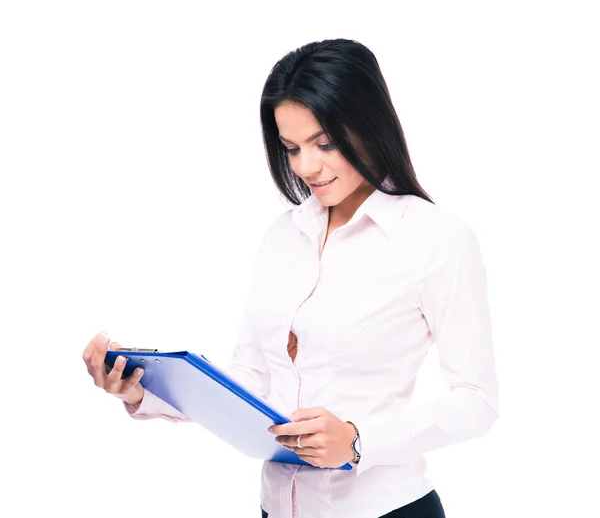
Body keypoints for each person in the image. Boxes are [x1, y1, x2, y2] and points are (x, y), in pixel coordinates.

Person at [83, 38, 499, 518]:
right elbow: (250, 381)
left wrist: (359, 440)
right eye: (291, 147)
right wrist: (142, 388)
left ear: (369, 124)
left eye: (324, 143)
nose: (306, 167)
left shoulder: (436, 239)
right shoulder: (283, 235)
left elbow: (477, 401)